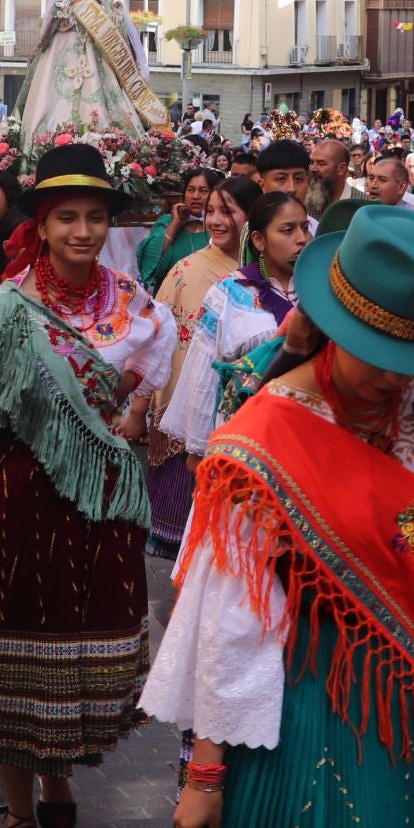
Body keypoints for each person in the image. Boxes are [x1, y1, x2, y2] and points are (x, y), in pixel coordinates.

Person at [143, 205, 414, 828]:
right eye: (379, 354)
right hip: (291, 716)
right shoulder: (263, 440)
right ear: (335, 327)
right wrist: (206, 773)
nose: (398, 379)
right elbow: (231, 617)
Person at [0, 143, 172, 828]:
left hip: (100, 511)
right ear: (43, 225)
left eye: (94, 217)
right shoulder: (2, 310)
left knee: (81, 651)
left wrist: (141, 407)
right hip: (17, 501)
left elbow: (159, 372)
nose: (82, 231)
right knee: (19, 654)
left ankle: (61, 774)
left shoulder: (136, 306)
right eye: (66, 218)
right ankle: (19, 814)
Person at [145, 175, 261, 581]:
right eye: (211, 211)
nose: (216, 220)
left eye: (227, 211)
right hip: (187, 403)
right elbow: (156, 337)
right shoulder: (187, 270)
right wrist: (142, 401)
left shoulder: (265, 278)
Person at [158, 191, 310, 478]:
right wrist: (198, 449)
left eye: (304, 227)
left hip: (307, 437)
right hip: (244, 436)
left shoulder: (321, 289)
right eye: (288, 230)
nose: (301, 238)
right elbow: (205, 371)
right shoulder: (230, 292)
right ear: (259, 240)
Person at [18, 0, 170, 137]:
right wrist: (63, 15)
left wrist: (113, 2)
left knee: (100, 83)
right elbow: (56, 20)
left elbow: (110, 16)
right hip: (68, 43)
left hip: (92, 47)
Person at [135, 166, 218, 291]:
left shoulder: (220, 226)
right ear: (183, 196)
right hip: (169, 303)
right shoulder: (166, 222)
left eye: (203, 191)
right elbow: (148, 267)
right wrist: (175, 224)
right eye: (190, 190)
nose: (195, 196)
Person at [304, 137, 362, 216]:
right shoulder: (306, 201)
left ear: (341, 168)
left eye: (321, 163)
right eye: (312, 162)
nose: (313, 169)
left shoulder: (361, 206)